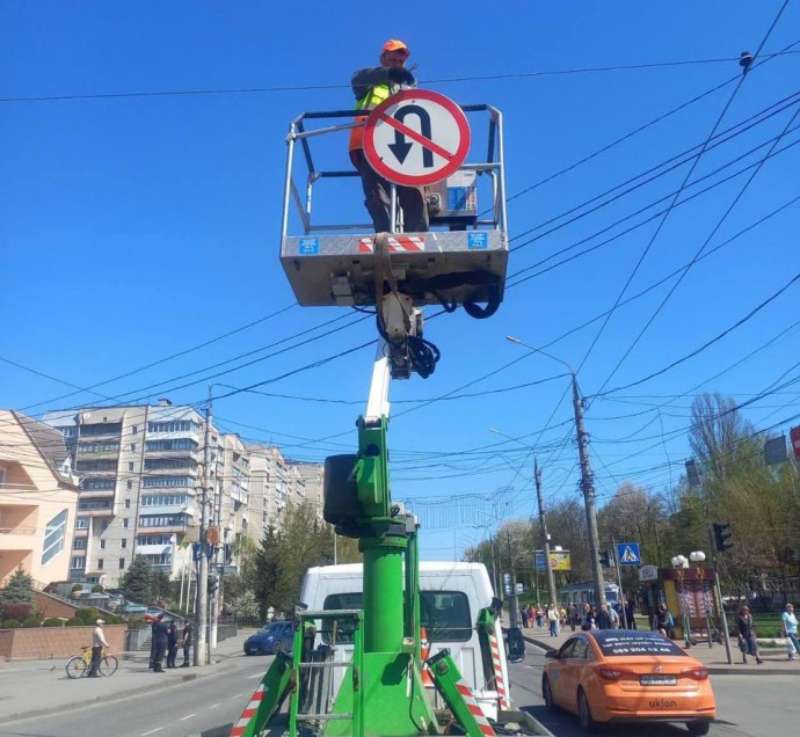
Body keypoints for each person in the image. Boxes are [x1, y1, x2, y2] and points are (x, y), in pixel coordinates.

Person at [349, 39, 429, 234]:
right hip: (369, 142)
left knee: (414, 193)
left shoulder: (410, 89)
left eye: (402, 56)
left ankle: (417, 238)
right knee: (378, 194)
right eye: (393, 54)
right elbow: (357, 79)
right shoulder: (369, 81)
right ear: (383, 57)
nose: (398, 59)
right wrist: (388, 74)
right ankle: (384, 235)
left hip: (406, 146)